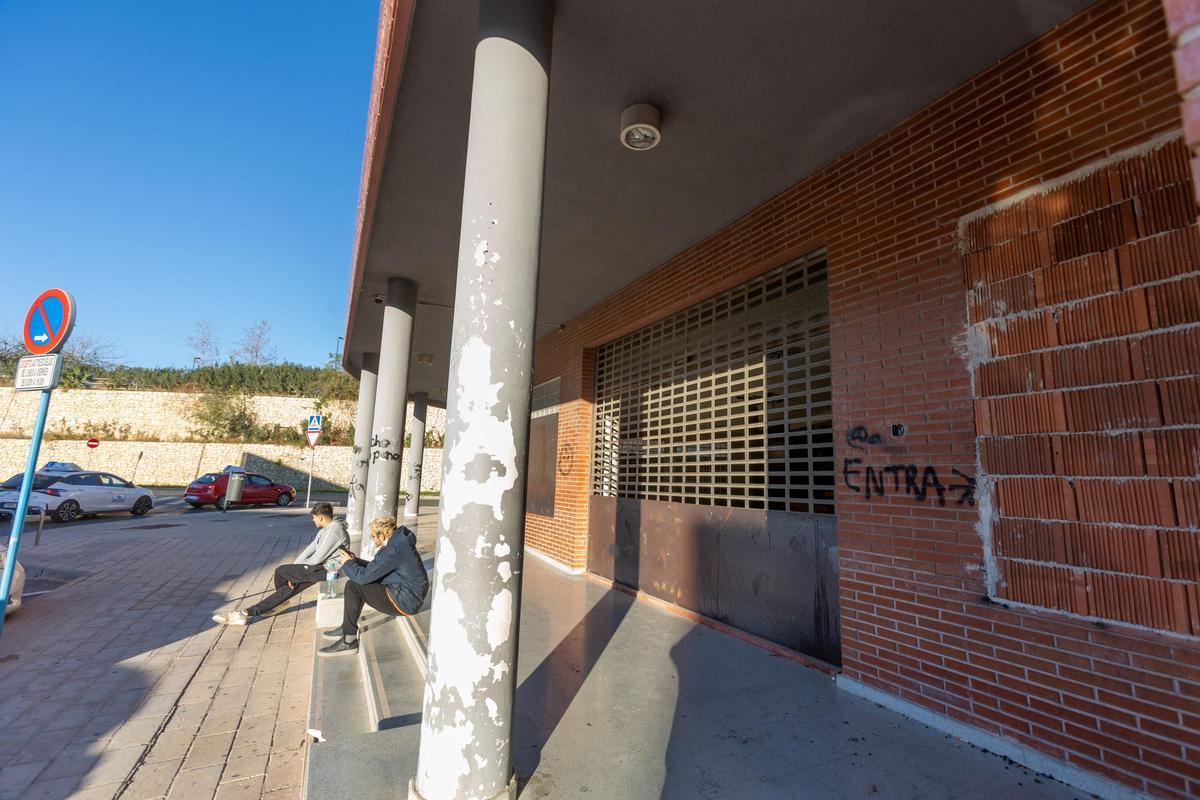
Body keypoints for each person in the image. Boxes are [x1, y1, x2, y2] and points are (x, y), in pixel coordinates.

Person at [212, 502, 349, 626]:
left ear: (320, 517)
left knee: (281, 571)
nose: (313, 520)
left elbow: (317, 558)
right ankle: (245, 613)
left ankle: (258, 609)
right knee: (287, 583)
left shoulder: (335, 530)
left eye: (314, 517)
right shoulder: (324, 531)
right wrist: (295, 569)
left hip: (330, 570)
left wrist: (293, 573)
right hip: (320, 568)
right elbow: (309, 549)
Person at [318, 515, 428, 656]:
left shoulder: (393, 550)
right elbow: (375, 569)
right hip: (407, 594)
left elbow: (363, 577)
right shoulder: (398, 544)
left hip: (405, 601)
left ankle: (349, 640)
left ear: (382, 536)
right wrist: (355, 561)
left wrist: (347, 563)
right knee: (356, 583)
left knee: (354, 586)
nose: (372, 539)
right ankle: (347, 627)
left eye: (373, 536)